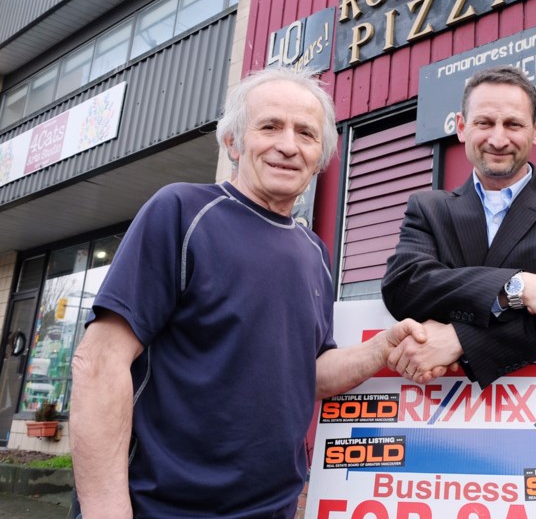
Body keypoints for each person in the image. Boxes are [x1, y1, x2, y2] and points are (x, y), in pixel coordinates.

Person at [69, 68, 432, 518]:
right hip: (164, 508)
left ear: (320, 157)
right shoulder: (181, 213)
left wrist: (381, 347)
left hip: (272, 510)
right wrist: (106, 510)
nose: (288, 145)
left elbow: (311, 374)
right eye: (270, 126)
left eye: (306, 133)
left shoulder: (313, 251)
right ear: (233, 143)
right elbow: (99, 363)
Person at [380, 65, 536, 388]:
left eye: (513, 124)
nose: (497, 138)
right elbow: (405, 286)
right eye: (484, 123)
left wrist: (459, 339)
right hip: (437, 408)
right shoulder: (427, 209)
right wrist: (522, 286)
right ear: (462, 127)